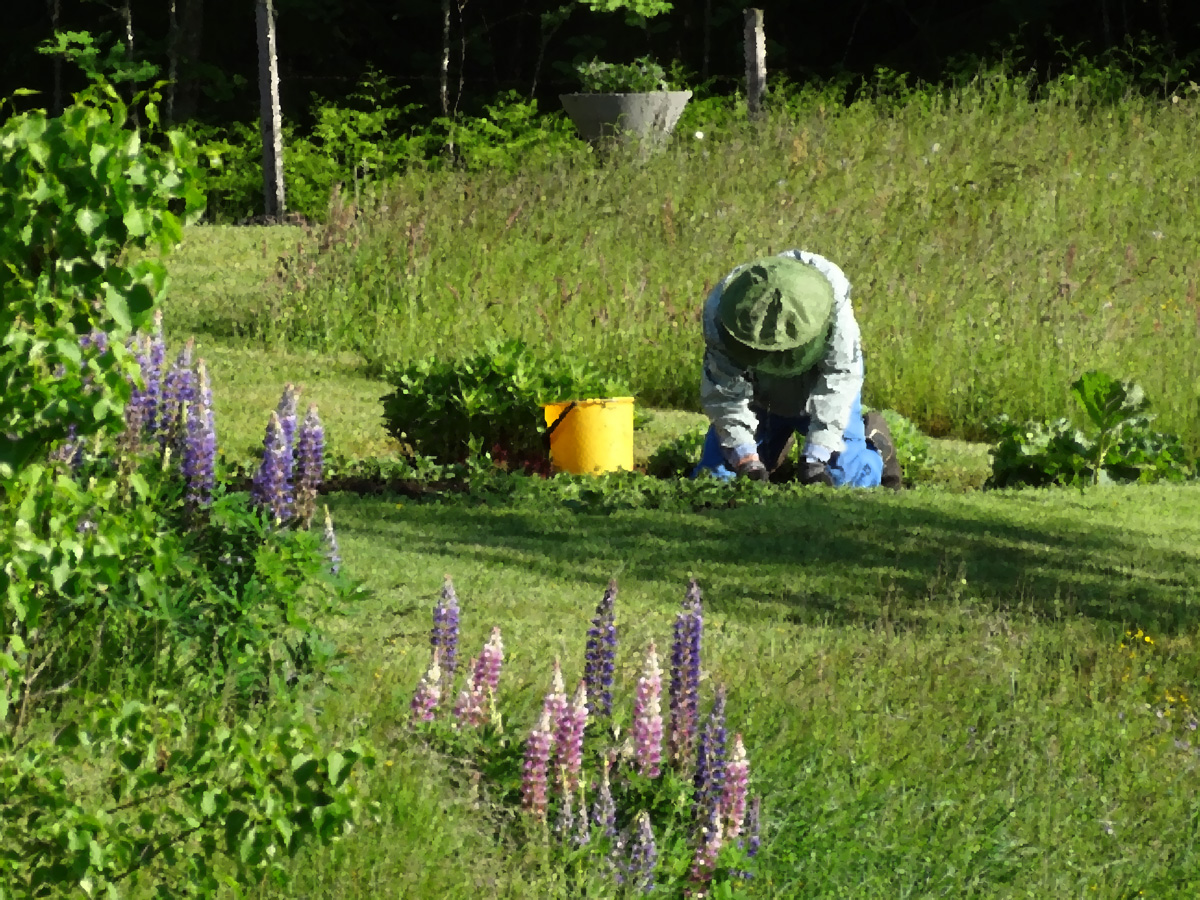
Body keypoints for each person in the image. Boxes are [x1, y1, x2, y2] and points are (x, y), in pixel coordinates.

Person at [692, 250, 903, 489]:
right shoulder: (722, 311)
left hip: (823, 393)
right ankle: (774, 444)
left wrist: (816, 458)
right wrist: (745, 458)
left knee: (845, 479)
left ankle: (875, 445)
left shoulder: (835, 310)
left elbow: (839, 380)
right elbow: (724, 394)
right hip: (760, 398)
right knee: (717, 478)